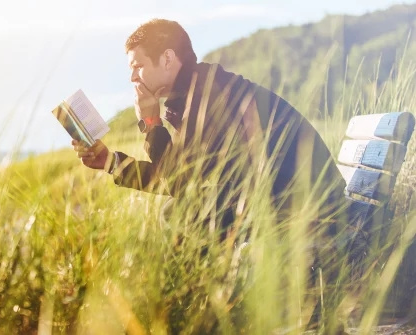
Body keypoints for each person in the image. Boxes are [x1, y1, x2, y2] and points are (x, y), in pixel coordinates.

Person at [72, 18, 347, 233]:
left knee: (179, 213)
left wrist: (152, 123)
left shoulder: (207, 95)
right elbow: (181, 176)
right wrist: (109, 161)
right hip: (290, 198)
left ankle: (217, 302)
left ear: (167, 59)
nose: (132, 77)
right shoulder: (196, 89)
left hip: (310, 209)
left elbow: (178, 181)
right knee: (180, 209)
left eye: (138, 65)